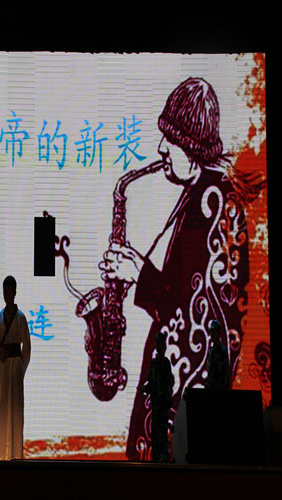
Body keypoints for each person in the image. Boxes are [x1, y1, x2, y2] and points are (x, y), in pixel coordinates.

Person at [99, 77, 261, 460]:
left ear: (190, 145)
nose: (161, 148)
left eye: (170, 139)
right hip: (179, 394)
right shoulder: (203, 194)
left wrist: (140, 275)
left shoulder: (213, 202)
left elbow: (198, 313)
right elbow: (187, 293)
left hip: (186, 408)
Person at [0, 275, 31, 460]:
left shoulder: (21, 318)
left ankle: (15, 455)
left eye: (10, 290)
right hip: (3, 367)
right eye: (5, 290)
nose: (7, 294)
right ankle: (2, 454)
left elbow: (26, 346)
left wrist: (21, 369)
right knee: (2, 408)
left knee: (15, 410)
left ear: (15, 292)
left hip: (14, 368)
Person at [139, 331, 174, 463]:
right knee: (155, 435)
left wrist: (166, 400)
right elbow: (151, 383)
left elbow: (169, 384)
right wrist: (145, 389)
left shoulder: (166, 363)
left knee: (163, 435)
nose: (159, 346)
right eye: (157, 343)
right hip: (156, 406)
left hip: (163, 406)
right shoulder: (153, 363)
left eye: (161, 344)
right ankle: (155, 460)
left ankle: (165, 461)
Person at [205, 319, 230, 391]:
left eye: (214, 332)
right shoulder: (210, 351)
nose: (212, 335)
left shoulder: (223, 352)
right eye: (211, 332)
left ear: (219, 333)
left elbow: (225, 375)